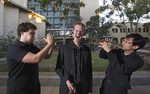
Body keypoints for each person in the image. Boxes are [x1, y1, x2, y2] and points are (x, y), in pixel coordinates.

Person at [6, 22, 54, 94]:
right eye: (31, 33)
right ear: (22, 33)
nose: (34, 35)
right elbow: (36, 59)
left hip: (33, 87)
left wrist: (51, 45)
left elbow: (47, 56)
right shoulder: (15, 48)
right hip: (19, 88)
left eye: (34, 33)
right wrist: (49, 44)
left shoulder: (31, 46)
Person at [55, 22, 93, 94]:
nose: (78, 33)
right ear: (73, 32)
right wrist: (67, 80)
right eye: (76, 30)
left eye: (81, 31)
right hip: (67, 87)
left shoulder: (87, 49)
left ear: (83, 33)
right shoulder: (63, 48)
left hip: (83, 88)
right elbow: (58, 68)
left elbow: (89, 71)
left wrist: (90, 90)